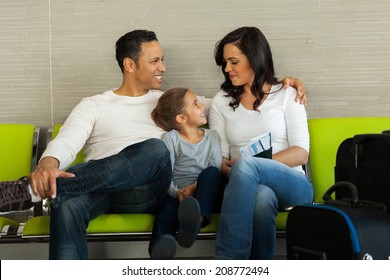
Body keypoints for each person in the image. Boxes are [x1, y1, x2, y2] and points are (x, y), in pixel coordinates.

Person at [0, 29, 307, 259]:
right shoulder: (93, 105)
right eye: (155, 60)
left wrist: (281, 83)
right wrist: (47, 165)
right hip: (99, 188)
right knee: (66, 206)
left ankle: (29, 191)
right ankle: (40, 192)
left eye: (163, 60)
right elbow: (66, 142)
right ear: (130, 65)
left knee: (155, 149)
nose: (163, 67)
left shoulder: (170, 102)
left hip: (149, 188)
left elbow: (235, 103)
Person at [208, 26, 314, 260]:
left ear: (255, 58)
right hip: (245, 187)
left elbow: (300, 154)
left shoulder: (287, 94)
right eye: (225, 63)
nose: (227, 69)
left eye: (234, 62)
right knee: (261, 197)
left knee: (247, 165)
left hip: (293, 184)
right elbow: (220, 158)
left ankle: (228, 262)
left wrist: (252, 166)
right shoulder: (220, 102)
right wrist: (230, 167)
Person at [149, 87, 224, 259]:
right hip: (178, 195)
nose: (202, 105)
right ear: (181, 118)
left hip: (206, 193)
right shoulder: (171, 138)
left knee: (212, 172)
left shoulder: (212, 136)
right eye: (196, 104)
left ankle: (196, 221)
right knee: (165, 215)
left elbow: (216, 167)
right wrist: (178, 194)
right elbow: (166, 174)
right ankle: (158, 258)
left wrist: (193, 189)